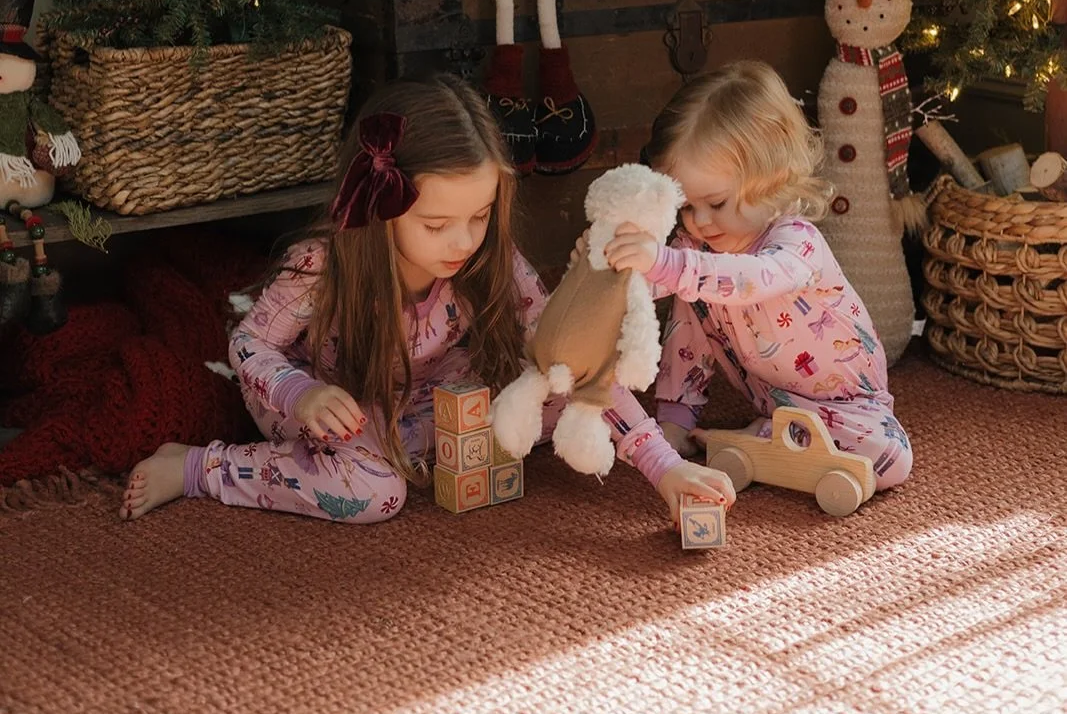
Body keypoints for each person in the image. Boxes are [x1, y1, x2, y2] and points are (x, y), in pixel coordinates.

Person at [121, 74, 732, 525]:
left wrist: (665, 467)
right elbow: (249, 345)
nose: (463, 241)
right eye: (436, 225)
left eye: (480, 216)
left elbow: (572, 363)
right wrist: (300, 394)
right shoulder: (322, 265)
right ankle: (201, 467)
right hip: (329, 402)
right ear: (380, 206)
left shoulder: (490, 259)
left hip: (429, 395)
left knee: (550, 387)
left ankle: (426, 450)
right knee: (374, 493)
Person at [603, 61, 913, 490]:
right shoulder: (697, 249)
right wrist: (615, 274)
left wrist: (667, 265)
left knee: (893, 458)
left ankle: (767, 441)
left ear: (771, 176)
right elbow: (683, 333)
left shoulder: (798, 242)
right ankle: (767, 441)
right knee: (688, 293)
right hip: (774, 399)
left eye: (716, 203)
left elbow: (753, 279)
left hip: (850, 405)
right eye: (686, 206)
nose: (699, 221)